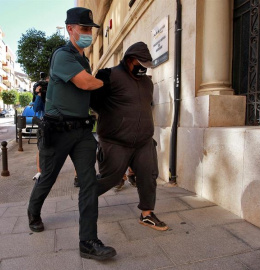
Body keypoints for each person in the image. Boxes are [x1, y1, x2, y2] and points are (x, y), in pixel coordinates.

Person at [27, 7, 116, 260]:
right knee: (48, 177)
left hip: (82, 132)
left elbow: (87, 91)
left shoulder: (83, 59)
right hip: (57, 131)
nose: (88, 33)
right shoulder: (62, 55)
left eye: (90, 29)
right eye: (84, 28)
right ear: (70, 29)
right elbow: (86, 83)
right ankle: (33, 212)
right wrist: (109, 81)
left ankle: (88, 242)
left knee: (88, 183)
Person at [91, 41, 168, 231]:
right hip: (115, 141)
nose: (143, 69)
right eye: (140, 65)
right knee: (110, 178)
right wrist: (117, 119)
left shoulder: (147, 82)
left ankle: (147, 214)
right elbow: (94, 103)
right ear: (129, 60)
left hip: (143, 141)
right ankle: (86, 198)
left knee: (148, 176)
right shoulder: (108, 75)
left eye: (146, 66)